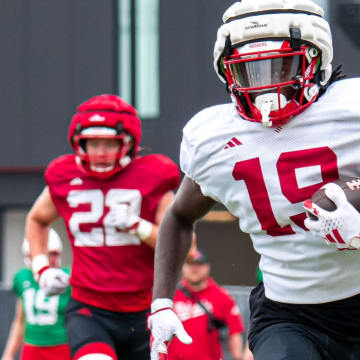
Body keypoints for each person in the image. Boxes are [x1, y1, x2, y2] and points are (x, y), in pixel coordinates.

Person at [147, 1, 360, 359]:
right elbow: (180, 214)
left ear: (314, 60)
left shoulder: (350, 108)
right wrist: (162, 301)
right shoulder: (213, 139)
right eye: (251, 73)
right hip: (289, 312)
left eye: (280, 67)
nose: (267, 87)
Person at [25, 94, 181, 360]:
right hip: (90, 309)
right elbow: (36, 219)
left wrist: (138, 226)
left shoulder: (154, 175)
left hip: (147, 310)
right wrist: (41, 268)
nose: (99, 152)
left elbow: (184, 249)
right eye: (92, 142)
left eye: (109, 143)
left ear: (129, 142)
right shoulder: (64, 176)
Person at [1, 229, 71, 360]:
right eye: (47, 255)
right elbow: (20, 320)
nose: (51, 259)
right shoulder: (22, 277)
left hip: (62, 346)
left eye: (54, 254)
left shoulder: (67, 277)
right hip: (32, 348)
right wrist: (8, 354)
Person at [167, 249, 245, 360]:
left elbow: (235, 331)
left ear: (207, 267)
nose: (194, 269)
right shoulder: (169, 295)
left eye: (199, 264)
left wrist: (237, 357)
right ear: (183, 267)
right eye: (190, 264)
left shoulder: (221, 296)